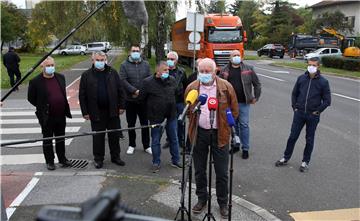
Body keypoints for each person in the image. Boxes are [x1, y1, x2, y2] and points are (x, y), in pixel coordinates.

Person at [185, 58, 239, 218]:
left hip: (220, 134)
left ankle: (223, 202)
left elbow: (234, 110)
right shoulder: (192, 87)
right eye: (201, 71)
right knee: (199, 170)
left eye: (208, 71)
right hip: (199, 133)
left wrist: (226, 127)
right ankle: (202, 199)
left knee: (222, 172)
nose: (204, 74)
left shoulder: (226, 87)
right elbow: (188, 110)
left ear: (215, 71)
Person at [275, 57, 331, 172]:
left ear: (318, 66)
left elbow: (327, 101)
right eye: (309, 64)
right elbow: (294, 94)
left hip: (313, 115)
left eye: (314, 65)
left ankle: (305, 162)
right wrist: (294, 107)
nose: (311, 67)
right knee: (292, 137)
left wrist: (318, 111)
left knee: (309, 139)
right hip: (299, 113)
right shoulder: (301, 78)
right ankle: (285, 157)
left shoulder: (323, 82)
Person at [79, 51, 126, 169]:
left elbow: (121, 90)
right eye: (98, 60)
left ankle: (116, 157)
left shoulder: (112, 72)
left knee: (114, 135)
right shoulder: (86, 75)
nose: (101, 62)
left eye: (103, 60)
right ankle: (98, 159)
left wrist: (121, 106)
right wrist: (85, 112)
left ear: (106, 60)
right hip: (95, 112)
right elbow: (82, 95)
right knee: (98, 137)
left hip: (112, 110)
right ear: (93, 61)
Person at [28, 56, 72, 170]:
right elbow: (31, 98)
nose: (50, 67)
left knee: (60, 138)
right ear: (42, 66)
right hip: (47, 116)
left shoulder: (60, 77)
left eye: (52, 65)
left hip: (61, 115)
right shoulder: (35, 81)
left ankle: (62, 159)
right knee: (47, 139)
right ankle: (50, 161)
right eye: (48, 66)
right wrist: (42, 107)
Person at [139, 61, 182, 173]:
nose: (167, 72)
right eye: (165, 70)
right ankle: (156, 162)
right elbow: (141, 99)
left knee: (174, 138)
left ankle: (176, 160)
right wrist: (150, 112)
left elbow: (176, 93)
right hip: (155, 117)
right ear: (157, 71)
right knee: (156, 140)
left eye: (168, 70)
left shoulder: (172, 80)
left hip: (171, 115)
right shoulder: (147, 82)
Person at [220, 50, 261, 159]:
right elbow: (219, 86)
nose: (237, 57)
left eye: (238, 55)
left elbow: (257, 84)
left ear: (241, 57)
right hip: (229, 104)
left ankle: (245, 148)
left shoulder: (248, 69)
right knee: (233, 125)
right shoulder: (224, 70)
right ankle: (236, 144)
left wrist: (256, 97)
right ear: (230, 58)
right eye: (234, 55)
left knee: (244, 125)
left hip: (244, 103)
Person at [119, 44, 152, 155]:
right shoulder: (124, 65)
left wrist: (141, 93)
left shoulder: (146, 64)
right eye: (133, 50)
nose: (135, 52)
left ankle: (146, 145)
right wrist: (134, 91)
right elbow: (123, 80)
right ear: (130, 52)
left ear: (141, 52)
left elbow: (149, 79)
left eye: (137, 50)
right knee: (131, 124)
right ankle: (131, 145)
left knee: (145, 124)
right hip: (130, 100)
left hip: (143, 101)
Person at [162, 51, 188, 149]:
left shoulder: (182, 72)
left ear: (176, 61)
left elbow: (186, 86)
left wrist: (185, 101)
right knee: (169, 122)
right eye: (168, 59)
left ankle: (180, 140)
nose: (170, 61)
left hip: (179, 102)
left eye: (172, 59)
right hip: (167, 102)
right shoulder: (163, 71)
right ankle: (169, 140)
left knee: (180, 122)